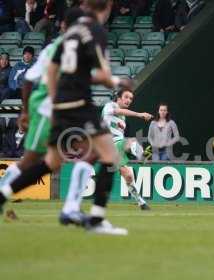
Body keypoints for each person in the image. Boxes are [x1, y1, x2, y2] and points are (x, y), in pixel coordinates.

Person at [0, 0, 132, 235]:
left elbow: (52, 69)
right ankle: (96, 220)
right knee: (111, 157)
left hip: (60, 104)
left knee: (51, 162)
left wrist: (56, 99)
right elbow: (102, 74)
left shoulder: (70, 35)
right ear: (108, 8)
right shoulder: (95, 31)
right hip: (80, 103)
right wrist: (119, 82)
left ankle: (4, 195)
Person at [0, 7, 85, 194]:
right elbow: (29, 79)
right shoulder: (54, 49)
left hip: (62, 111)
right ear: (64, 26)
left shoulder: (78, 51)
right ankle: (2, 192)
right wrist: (25, 111)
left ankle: (73, 209)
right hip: (46, 110)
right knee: (32, 160)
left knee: (69, 156)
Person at [100, 88, 152, 210]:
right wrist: (139, 114)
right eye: (126, 97)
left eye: (131, 99)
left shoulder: (123, 118)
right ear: (118, 98)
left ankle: (141, 203)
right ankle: (141, 157)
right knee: (131, 141)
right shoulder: (109, 106)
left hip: (116, 147)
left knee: (128, 176)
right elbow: (117, 111)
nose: (129, 100)